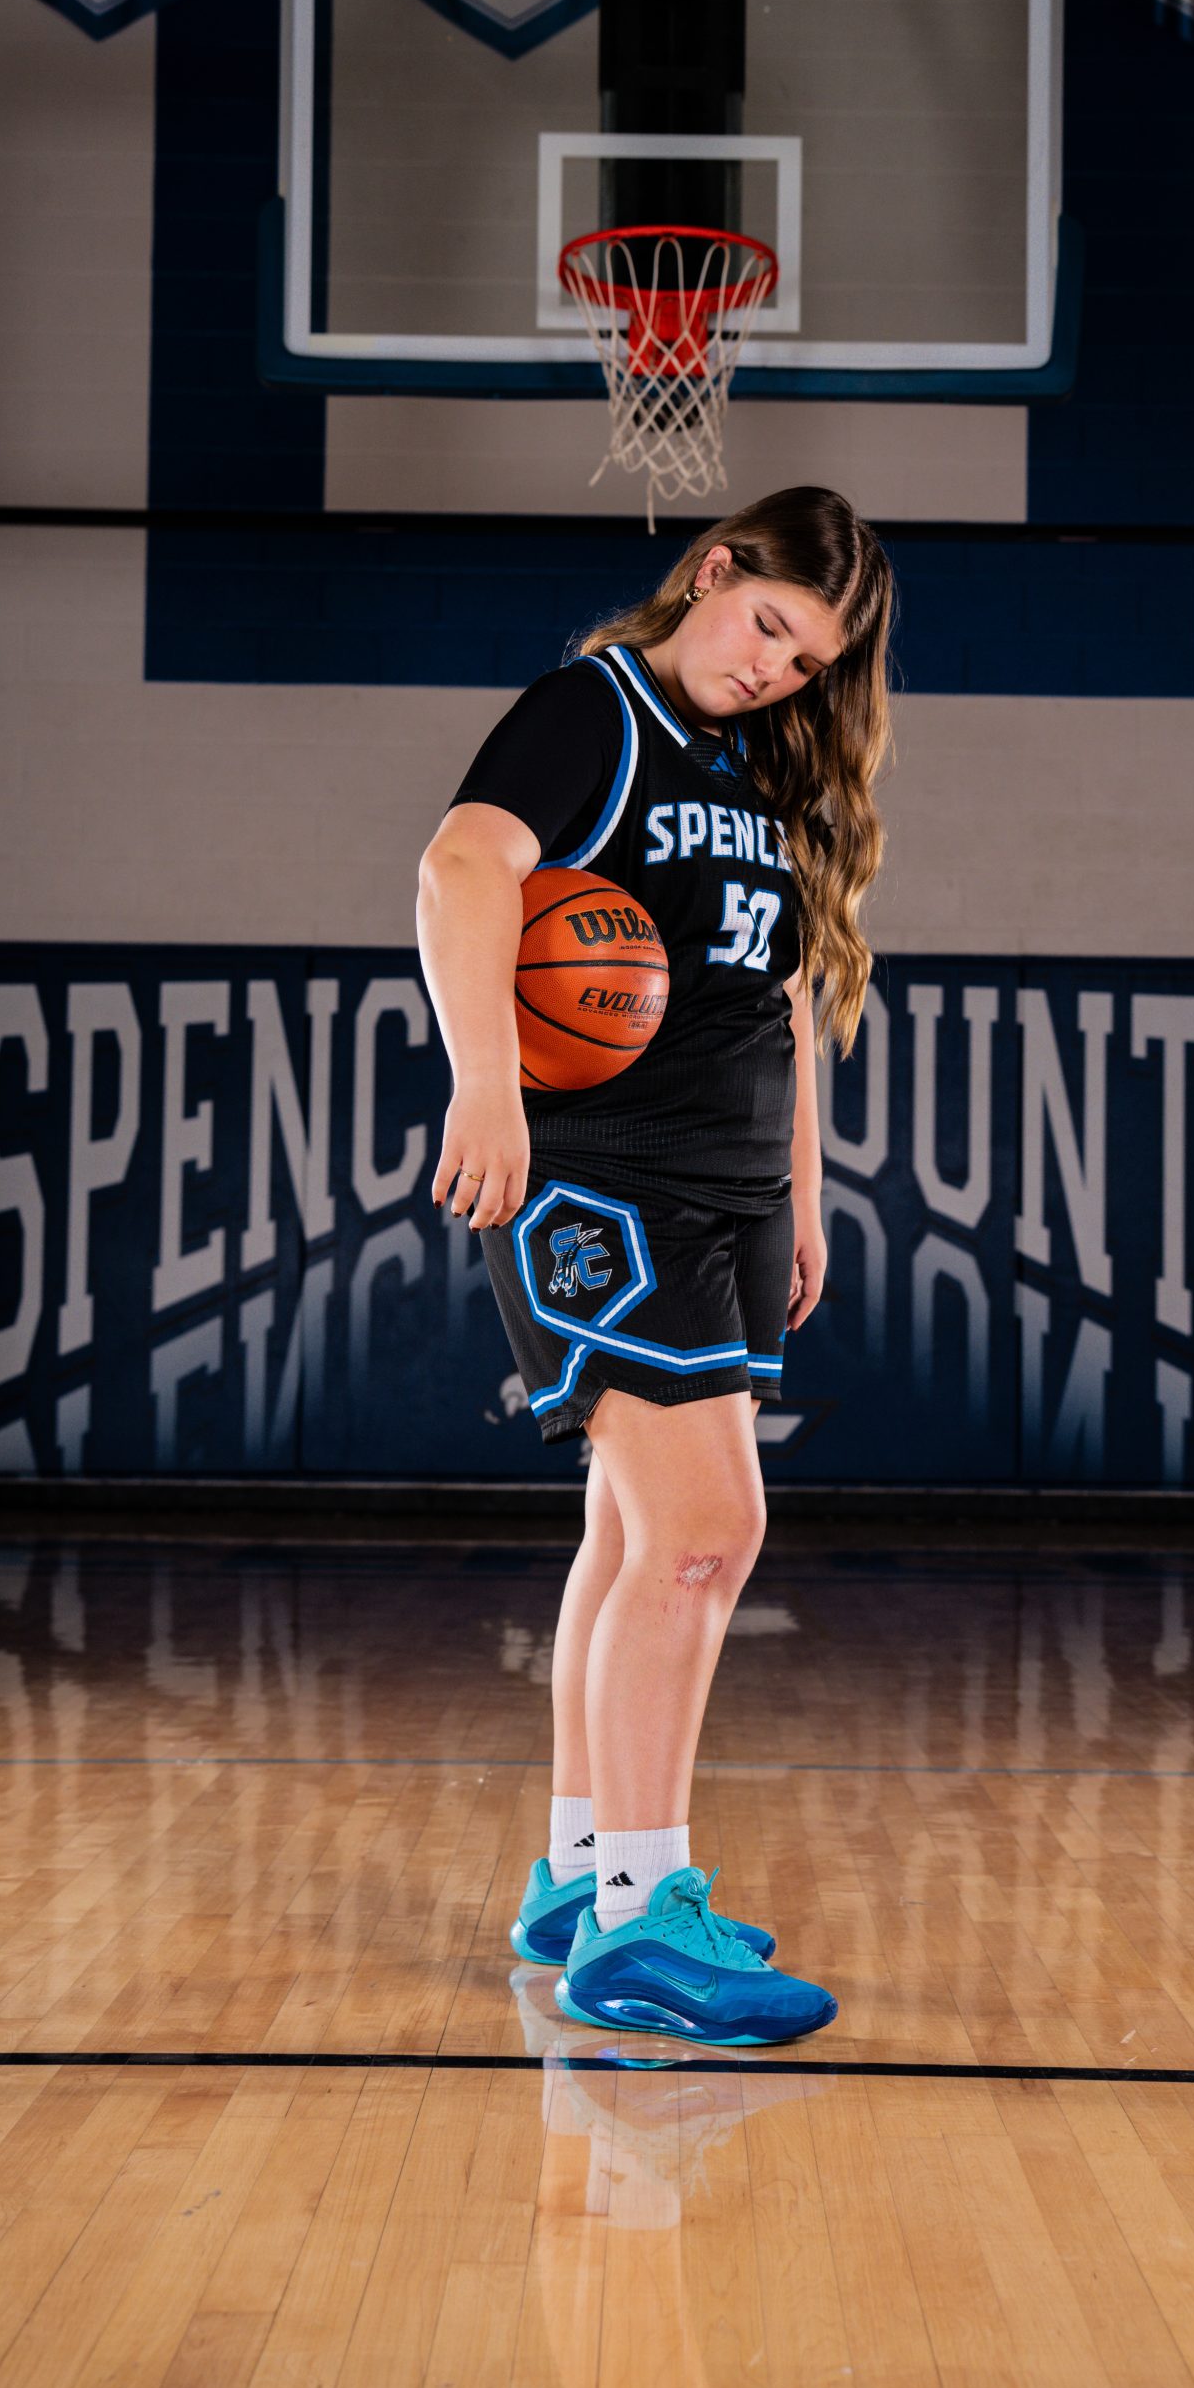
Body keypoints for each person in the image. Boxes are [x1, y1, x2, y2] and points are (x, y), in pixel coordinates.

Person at [416, 485, 894, 2046]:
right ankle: (638, 1921)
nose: (774, 669)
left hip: (731, 1192)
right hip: (603, 1183)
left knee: (632, 1537)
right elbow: (462, 868)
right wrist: (483, 1082)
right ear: (712, 570)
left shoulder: (760, 766)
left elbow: (780, 995)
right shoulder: (593, 712)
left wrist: (801, 1191)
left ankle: (577, 1878)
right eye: (767, 626)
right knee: (703, 1537)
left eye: (806, 660)